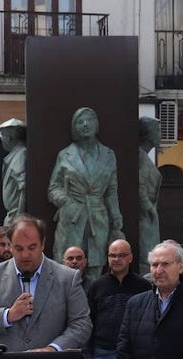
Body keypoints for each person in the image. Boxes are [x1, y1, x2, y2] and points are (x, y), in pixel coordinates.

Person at [0, 214, 92, 353]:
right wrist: (8, 315)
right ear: (10, 246)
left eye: (31, 247)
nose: (25, 255)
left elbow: (82, 325)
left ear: (42, 244)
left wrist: (52, 349)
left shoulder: (67, 278)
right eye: (18, 248)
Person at [48, 107, 123, 277]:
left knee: (95, 269)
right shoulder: (65, 155)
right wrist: (67, 203)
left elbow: (111, 191)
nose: (85, 124)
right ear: (74, 127)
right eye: (79, 121)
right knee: (67, 270)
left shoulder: (108, 155)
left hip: (98, 217)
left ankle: (93, 303)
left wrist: (116, 216)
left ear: (97, 125)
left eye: (89, 120)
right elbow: (53, 188)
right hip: (72, 218)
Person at [137, 116, 163, 274]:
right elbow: (139, 185)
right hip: (145, 216)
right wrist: (148, 207)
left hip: (149, 216)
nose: (160, 135)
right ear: (148, 134)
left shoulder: (144, 157)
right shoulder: (139, 157)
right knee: (147, 258)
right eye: (157, 131)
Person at [0, 118, 27, 225]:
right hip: (12, 215)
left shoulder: (19, 155)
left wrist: (20, 218)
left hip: (16, 217)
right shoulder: (13, 156)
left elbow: (23, 188)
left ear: (10, 138)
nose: (1, 140)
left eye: (3, 136)